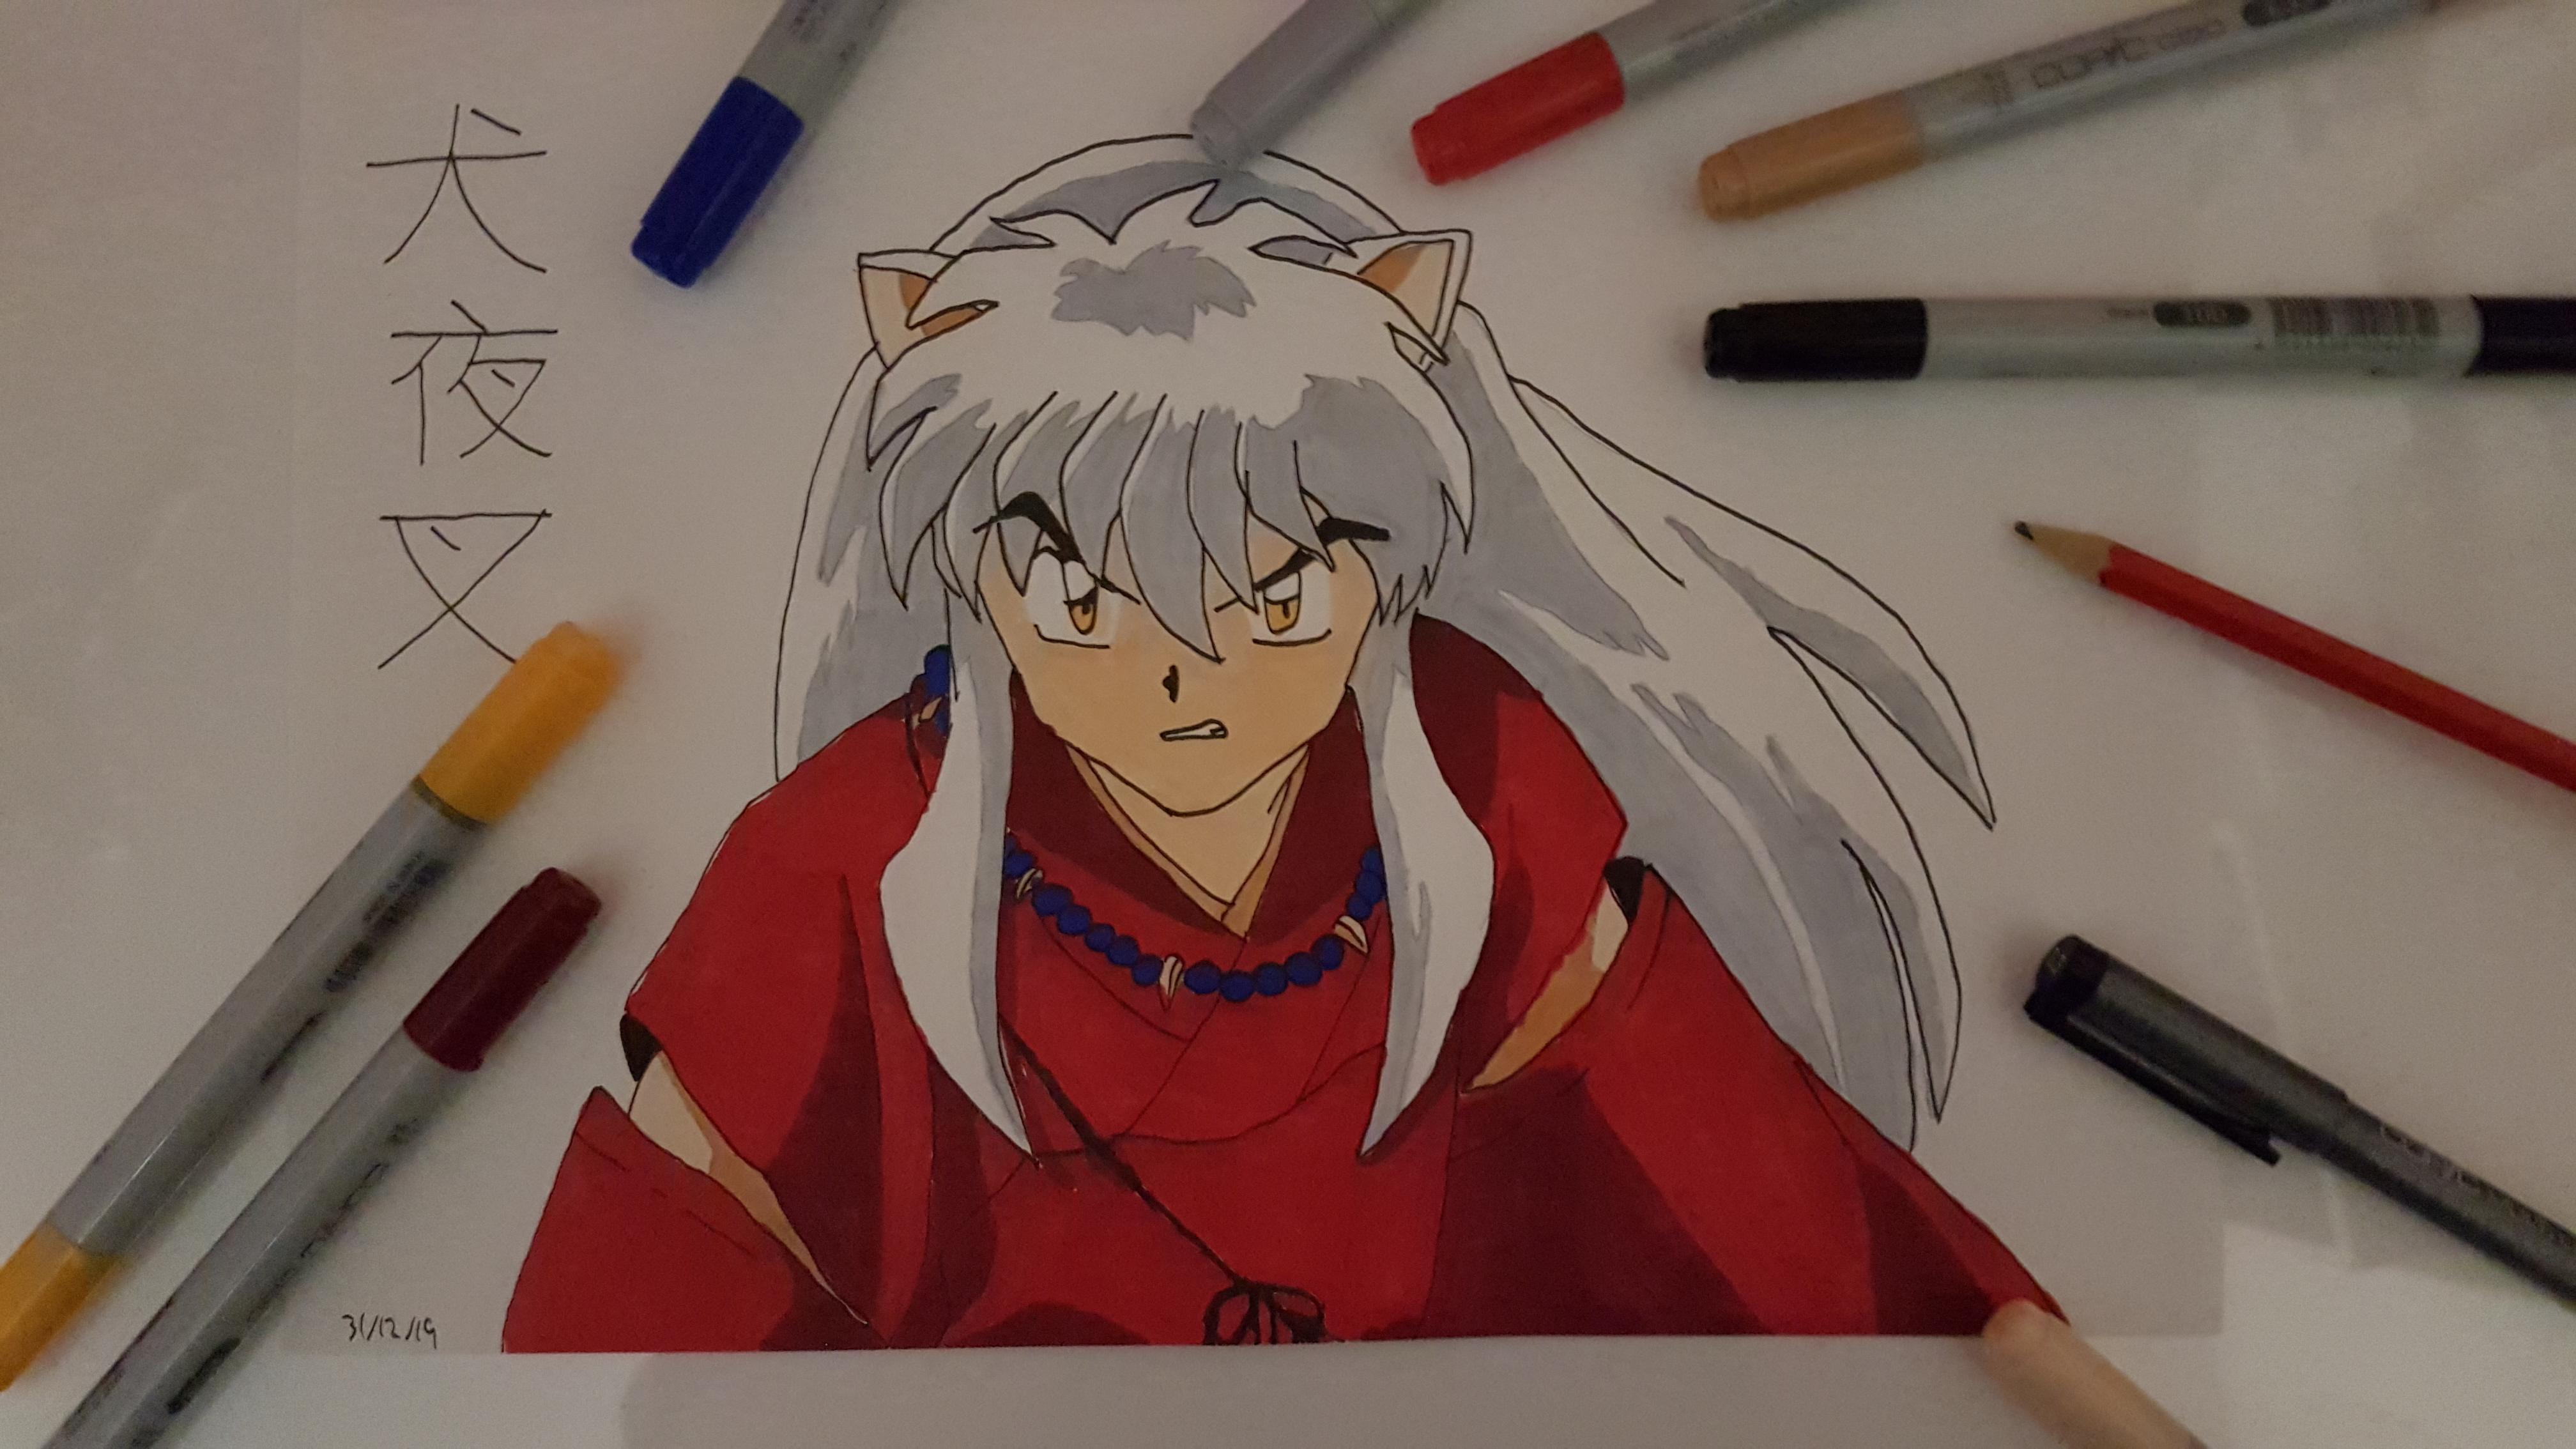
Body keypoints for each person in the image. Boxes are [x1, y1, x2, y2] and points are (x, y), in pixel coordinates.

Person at [502, 139, 2051, 1351]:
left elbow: (1767, 1219)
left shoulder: (1480, 782)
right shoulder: (831, 867)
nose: (1189, 672)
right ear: (978, 583)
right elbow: (645, 1319)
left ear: (1384, 573)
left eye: (1282, 592)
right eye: (1081, 599)